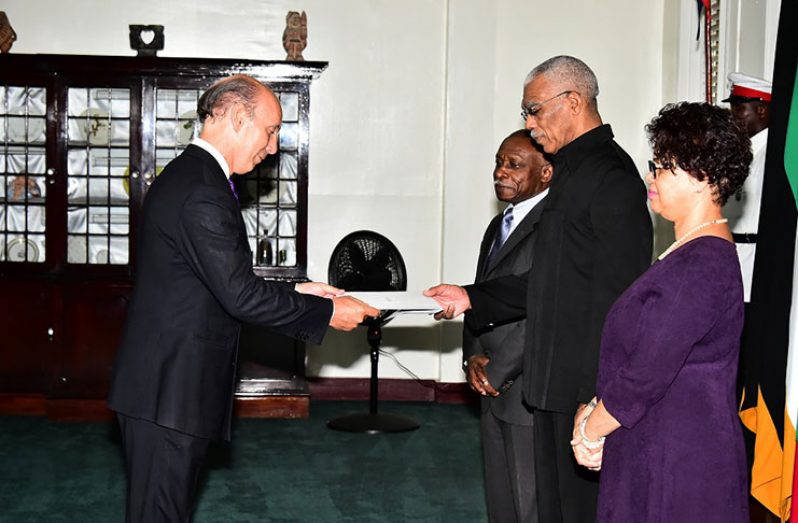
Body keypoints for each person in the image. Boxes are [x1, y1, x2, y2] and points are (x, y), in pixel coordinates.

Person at [107, 74, 379, 522]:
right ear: (237, 117)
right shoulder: (202, 191)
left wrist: (297, 290)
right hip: (168, 391)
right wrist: (326, 311)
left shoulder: (196, 176)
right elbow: (238, 295)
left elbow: (216, 279)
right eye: (271, 132)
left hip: (165, 385)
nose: (272, 148)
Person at [425, 55, 652, 523]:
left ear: (572, 102)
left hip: (581, 386)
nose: (528, 124)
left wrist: (598, 396)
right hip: (549, 383)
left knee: (575, 510)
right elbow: (550, 279)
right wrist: (473, 297)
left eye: (534, 110)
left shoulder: (611, 176)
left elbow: (620, 295)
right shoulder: (570, 172)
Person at [571, 101, 751, 522]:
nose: (652, 177)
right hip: (659, 445)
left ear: (704, 180)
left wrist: (589, 430)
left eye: (666, 167)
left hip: (680, 461)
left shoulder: (702, 264)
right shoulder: (689, 253)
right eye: (655, 164)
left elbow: (645, 374)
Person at [464, 130, 552, 523]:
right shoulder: (498, 225)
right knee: (500, 500)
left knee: (528, 502)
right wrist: (472, 356)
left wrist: (498, 370)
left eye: (514, 165)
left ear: (546, 173)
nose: (501, 172)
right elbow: (478, 295)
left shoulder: (552, 228)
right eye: (499, 162)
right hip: (488, 381)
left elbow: (543, 309)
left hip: (523, 387)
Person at [722, 72, 772, 302]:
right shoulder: (740, 152)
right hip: (732, 256)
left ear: (761, 110)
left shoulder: (773, 156)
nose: (732, 117)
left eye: (738, 109)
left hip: (756, 261)